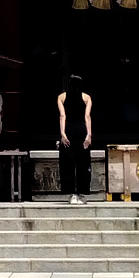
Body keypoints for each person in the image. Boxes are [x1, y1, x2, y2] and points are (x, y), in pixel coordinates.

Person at [56, 74, 94, 202]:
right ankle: (82, 193)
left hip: (69, 129)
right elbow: (87, 116)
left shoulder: (61, 97)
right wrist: (89, 134)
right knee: (83, 162)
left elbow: (62, 115)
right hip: (81, 130)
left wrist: (62, 133)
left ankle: (71, 193)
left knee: (68, 163)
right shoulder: (86, 97)